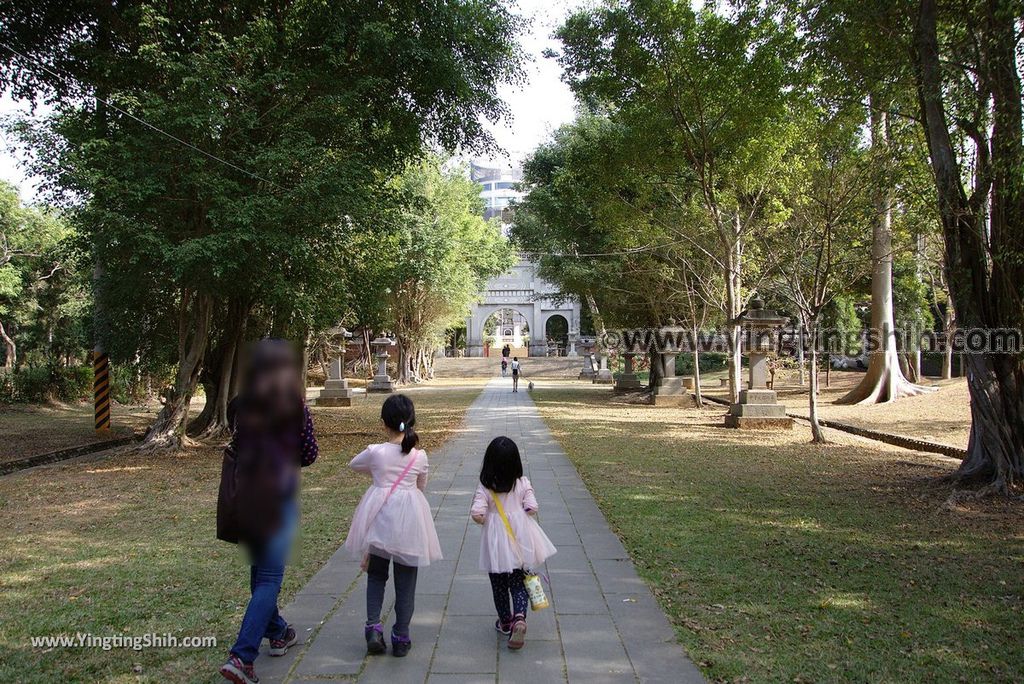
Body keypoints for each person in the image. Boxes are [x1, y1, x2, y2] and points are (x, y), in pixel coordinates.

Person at [217, 340, 318, 684]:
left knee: (261, 575)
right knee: (270, 578)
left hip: (247, 493)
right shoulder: (294, 405)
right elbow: (309, 453)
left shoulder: (242, 404)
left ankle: (278, 632)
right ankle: (241, 656)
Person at [343, 394, 442, 657]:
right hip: (410, 521)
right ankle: (401, 635)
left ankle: (373, 627)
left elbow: (354, 464)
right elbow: (421, 485)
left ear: (383, 423)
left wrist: (378, 475)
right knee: (406, 581)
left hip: (379, 521)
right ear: (411, 421)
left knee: (376, 576)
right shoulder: (419, 456)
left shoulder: (375, 453)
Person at [470, 436, 556, 650]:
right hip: (520, 540)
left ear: (488, 463)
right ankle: (520, 617)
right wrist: (524, 510)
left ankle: (506, 621)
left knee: (498, 584)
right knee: (518, 583)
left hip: (496, 542)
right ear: (516, 462)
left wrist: (482, 518)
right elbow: (532, 506)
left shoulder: (485, 487)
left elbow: (477, 512)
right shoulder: (522, 483)